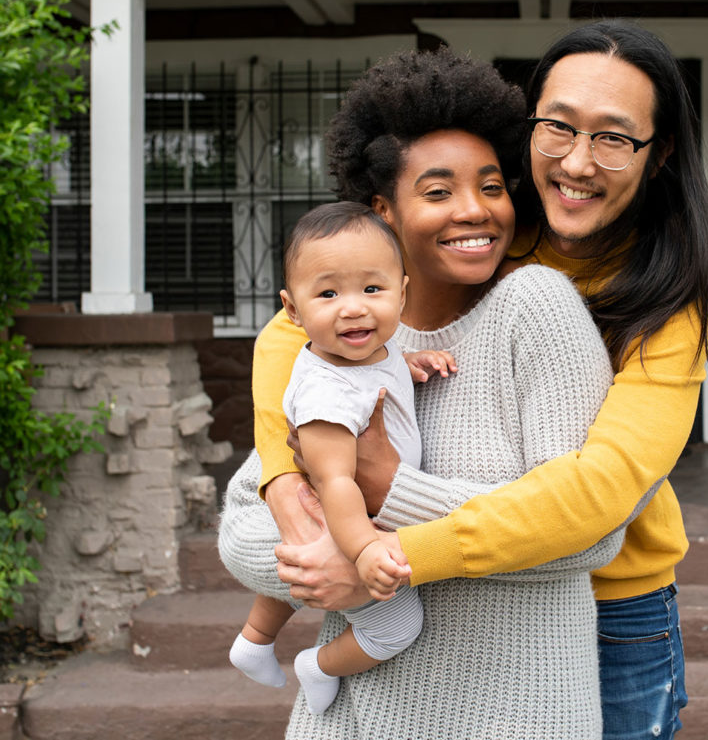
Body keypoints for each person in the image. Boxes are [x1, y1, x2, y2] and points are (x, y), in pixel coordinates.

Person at [318, 20, 708, 740]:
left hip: (612, 607)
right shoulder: (481, 226)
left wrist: (396, 549)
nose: (576, 162)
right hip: (477, 599)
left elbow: (601, 490)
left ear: (658, 153)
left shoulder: (671, 293)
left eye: (614, 137)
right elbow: (308, 325)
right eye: (557, 128)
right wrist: (284, 493)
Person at [218, 47, 625, 738]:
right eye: (437, 192)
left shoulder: (536, 308)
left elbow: (590, 533)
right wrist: (353, 563)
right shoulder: (344, 338)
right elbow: (242, 526)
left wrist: (389, 506)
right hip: (347, 719)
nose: (474, 210)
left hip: (517, 717)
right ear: (383, 208)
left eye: (492, 186)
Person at [228, 202, 454, 714]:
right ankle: (318, 664)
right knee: (398, 628)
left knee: (298, 569)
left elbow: (381, 368)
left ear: (402, 291)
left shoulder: (370, 348)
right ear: (292, 309)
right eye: (328, 293)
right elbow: (335, 483)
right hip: (345, 517)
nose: (353, 308)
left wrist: (410, 362)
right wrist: (364, 552)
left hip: (350, 510)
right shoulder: (324, 396)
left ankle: (253, 639)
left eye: (371, 289)